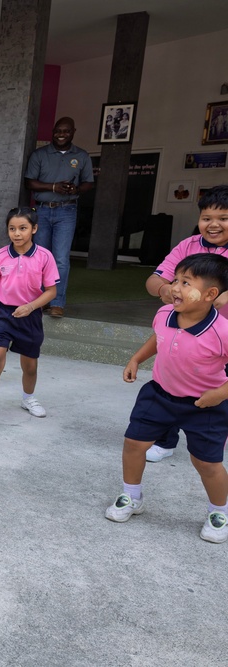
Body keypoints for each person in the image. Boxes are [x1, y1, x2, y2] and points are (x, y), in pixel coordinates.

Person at [107, 254, 228, 544]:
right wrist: (136, 359)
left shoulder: (222, 331)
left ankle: (219, 512)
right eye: (175, 280)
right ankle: (132, 496)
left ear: (210, 294)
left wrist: (220, 394)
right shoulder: (164, 313)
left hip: (205, 405)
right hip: (159, 394)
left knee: (206, 463)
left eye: (186, 283)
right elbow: (158, 338)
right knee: (134, 444)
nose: (175, 288)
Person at [141, 185, 228, 462]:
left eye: (224, 218)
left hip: (222, 336)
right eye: (206, 218)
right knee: (171, 384)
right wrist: (165, 289)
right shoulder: (188, 246)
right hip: (188, 331)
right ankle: (165, 440)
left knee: (216, 391)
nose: (213, 225)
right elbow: (154, 280)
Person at [0, 207, 59, 435]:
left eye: (23, 228)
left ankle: (28, 398)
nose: (17, 233)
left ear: (34, 229)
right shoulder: (0, 255)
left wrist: (31, 306)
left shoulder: (44, 256)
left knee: (30, 366)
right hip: (2, 313)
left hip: (30, 315)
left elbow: (51, 291)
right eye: (12, 228)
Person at [23, 116, 94, 319]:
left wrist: (76, 189)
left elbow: (89, 183)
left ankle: (56, 302)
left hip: (67, 211)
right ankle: (39, 301)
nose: (61, 134)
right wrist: (53, 187)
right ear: (53, 131)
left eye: (66, 131)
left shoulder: (81, 156)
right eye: (58, 131)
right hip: (42, 210)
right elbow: (29, 183)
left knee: (61, 259)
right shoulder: (40, 154)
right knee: (40, 258)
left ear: (73, 132)